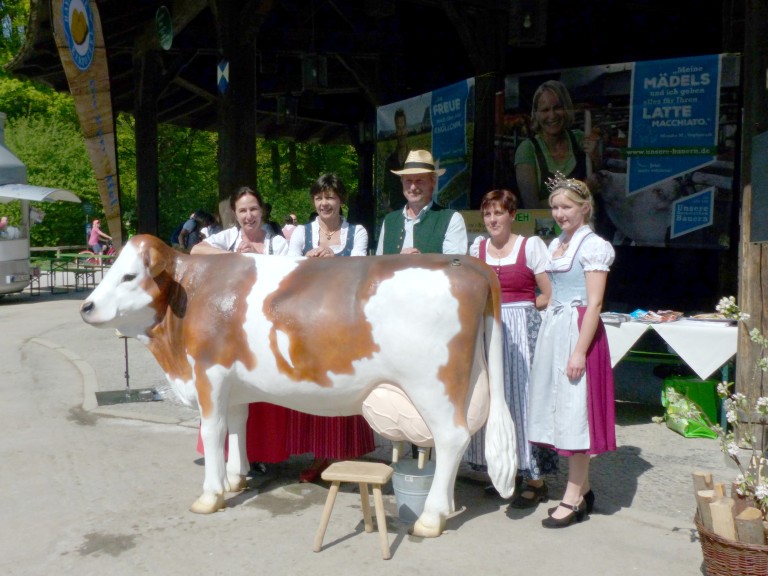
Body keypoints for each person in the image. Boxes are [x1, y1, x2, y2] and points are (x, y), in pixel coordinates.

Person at [527, 172, 616, 529]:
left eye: (566, 206)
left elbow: (594, 304)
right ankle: (585, 487)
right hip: (556, 328)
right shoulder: (556, 244)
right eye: (554, 207)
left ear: (585, 208)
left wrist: (579, 351)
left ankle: (573, 495)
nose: (559, 213)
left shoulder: (593, 246)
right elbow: (551, 293)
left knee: (574, 413)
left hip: (579, 332)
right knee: (558, 408)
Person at [463, 189, 557, 506]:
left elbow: (548, 293)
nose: (492, 220)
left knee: (523, 400)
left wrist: (525, 313)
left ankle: (535, 478)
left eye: (498, 213)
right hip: (488, 329)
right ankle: (505, 470)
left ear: (511, 215)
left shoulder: (530, 246)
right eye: (487, 214)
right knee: (491, 397)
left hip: (521, 329)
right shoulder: (478, 248)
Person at [191, 186, 291, 469]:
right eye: (243, 210)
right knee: (230, 389)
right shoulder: (227, 238)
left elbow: (289, 273)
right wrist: (234, 255)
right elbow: (197, 249)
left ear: (263, 211)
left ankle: (266, 454)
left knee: (265, 389)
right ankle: (231, 455)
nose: (249, 216)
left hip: (266, 323)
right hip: (232, 325)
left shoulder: (278, 243)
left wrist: (259, 255)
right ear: (235, 215)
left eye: (254, 209)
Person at [286, 173, 374, 482]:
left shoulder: (356, 232)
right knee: (313, 387)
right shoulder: (301, 234)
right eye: (320, 197)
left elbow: (360, 266)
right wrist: (306, 259)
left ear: (341, 200)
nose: (325, 203)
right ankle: (317, 454)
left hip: (344, 320)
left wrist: (332, 255)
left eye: (331, 197)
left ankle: (345, 453)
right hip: (309, 321)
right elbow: (287, 269)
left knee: (345, 386)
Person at [514, 80, 601, 210]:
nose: (552, 115)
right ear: (536, 114)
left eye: (557, 108)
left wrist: (595, 155)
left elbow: (598, 183)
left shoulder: (579, 139)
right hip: (547, 229)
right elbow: (532, 208)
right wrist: (581, 191)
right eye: (545, 110)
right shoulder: (528, 150)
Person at [376, 149, 468, 256]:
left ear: (433, 182)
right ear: (402, 182)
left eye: (419, 180)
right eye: (408, 180)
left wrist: (422, 262)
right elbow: (379, 266)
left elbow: (454, 266)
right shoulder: (389, 221)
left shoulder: (451, 219)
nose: (413, 187)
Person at [382, 108, 410, 212]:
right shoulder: (389, 161)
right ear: (396, 131)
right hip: (395, 214)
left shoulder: (413, 158)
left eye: (403, 127)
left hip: (414, 214)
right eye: (399, 128)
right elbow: (385, 190)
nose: (401, 132)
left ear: (406, 129)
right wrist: (387, 208)